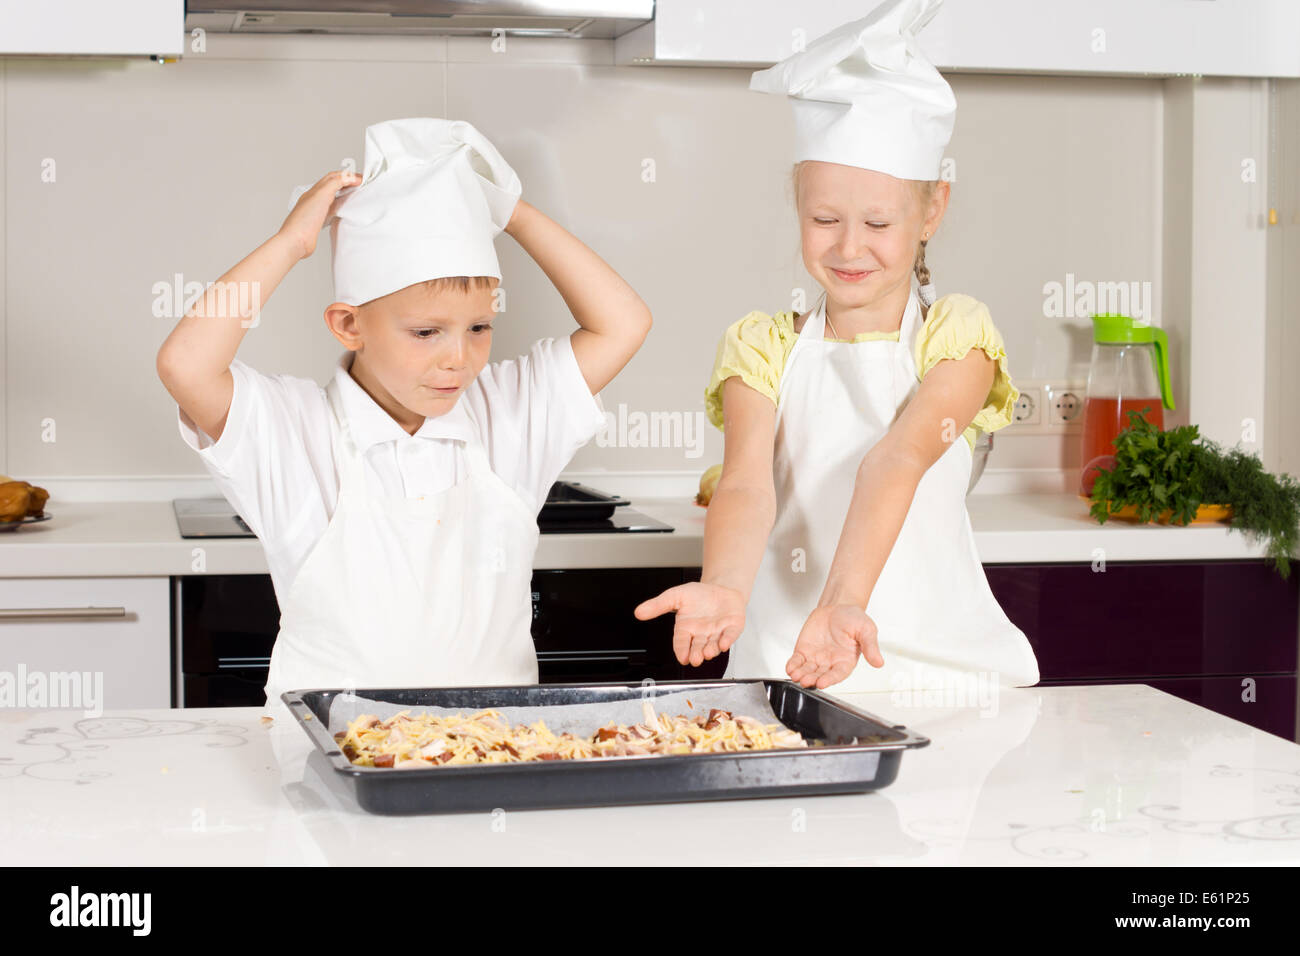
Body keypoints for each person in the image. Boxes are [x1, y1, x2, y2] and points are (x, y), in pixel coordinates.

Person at [157, 118, 651, 712]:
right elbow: (185, 365)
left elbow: (624, 322)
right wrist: (291, 243)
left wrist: (507, 210)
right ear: (348, 324)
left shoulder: (508, 416)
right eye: (425, 332)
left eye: (479, 328)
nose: (458, 359)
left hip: (493, 751)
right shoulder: (295, 431)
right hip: (327, 755)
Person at [635, 0, 1039, 693]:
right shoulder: (760, 348)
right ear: (798, 208)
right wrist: (725, 586)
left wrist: (842, 601)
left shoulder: (955, 339)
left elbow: (897, 459)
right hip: (789, 667)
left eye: (878, 221)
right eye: (824, 218)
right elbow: (744, 484)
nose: (849, 247)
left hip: (940, 676)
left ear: (931, 211)